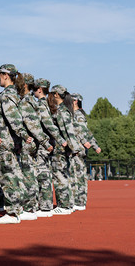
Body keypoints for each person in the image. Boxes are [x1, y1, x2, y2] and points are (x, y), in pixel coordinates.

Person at [0, 64, 28, 224]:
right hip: (10, 141)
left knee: (8, 177)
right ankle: (17, 210)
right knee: (14, 176)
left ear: (6, 75)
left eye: (0, 75)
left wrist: (24, 135)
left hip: (4, 141)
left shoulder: (7, 95)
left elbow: (14, 119)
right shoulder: (14, 94)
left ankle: (13, 212)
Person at [15, 73, 52, 221]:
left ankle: (30, 207)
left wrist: (44, 142)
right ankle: (33, 205)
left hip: (29, 142)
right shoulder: (32, 101)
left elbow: (33, 124)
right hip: (34, 142)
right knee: (33, 174)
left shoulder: (26, 102)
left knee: (29, 174)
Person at [48, 85, 88, 215]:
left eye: (53, 94)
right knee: (65, 175)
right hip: (65, 147)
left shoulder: (62, 111)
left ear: (56, 95)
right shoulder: (64, 110)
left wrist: (72, 146)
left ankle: (64, 205)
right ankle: (68, 204)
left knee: (60, 176)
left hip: (62, 148)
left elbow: (68, 131)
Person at [32, 78, 67, 217]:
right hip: (47, 143)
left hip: (43, 144)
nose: (33, 91)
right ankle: (45, 205)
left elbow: (47, 124)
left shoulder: (41, 104)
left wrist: (59, 139)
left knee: (42, 174)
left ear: (40, 89)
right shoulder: (47, 103)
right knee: (45, 173)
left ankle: (45, 206)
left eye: (35, 88)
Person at [71, 93, 101, 210]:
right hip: (80, 147)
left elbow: (83, 131)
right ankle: (79, 201)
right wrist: (95, 145)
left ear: (75, 101)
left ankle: (79, 201)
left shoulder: (78, 115)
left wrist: (90, 143)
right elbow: (87, 132)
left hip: (78, 148)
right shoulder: (79, 114)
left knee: (77, 175)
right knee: (79, 174)